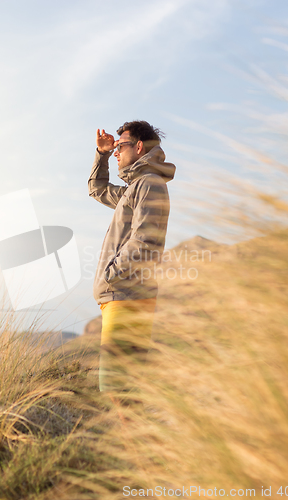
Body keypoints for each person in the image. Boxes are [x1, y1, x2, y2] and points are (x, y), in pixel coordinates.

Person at [88, 120, 176, 393]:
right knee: (123, 389)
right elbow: (97, 189)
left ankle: (139, 437)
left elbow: (144, 241)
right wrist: (101, 155)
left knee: (117, 389)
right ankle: (138, 436)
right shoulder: (134, 189)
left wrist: (111, 274)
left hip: (127, 297)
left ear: (139, 147)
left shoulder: (149, 184)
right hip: (123, 297)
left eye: (120, 145)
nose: (116, 152)